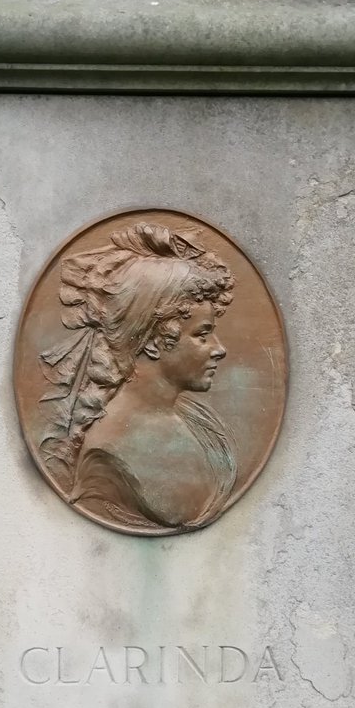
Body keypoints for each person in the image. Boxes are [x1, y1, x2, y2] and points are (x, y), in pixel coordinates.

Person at [38, 219, 237, 532]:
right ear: (155, 342)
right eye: (203, 334)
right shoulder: (104, 459)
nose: (219, 349)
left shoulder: (202, 423)